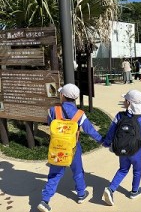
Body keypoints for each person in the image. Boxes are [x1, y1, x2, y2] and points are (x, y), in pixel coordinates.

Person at [37, 83, 103, 212]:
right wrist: (103, 141)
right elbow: (90, 130)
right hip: (73, 148)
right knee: (78, 172)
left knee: (54, 174)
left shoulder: (53, 111)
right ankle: (81, 194)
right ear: (75, 98)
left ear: (62, 95)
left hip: (57, 148)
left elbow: (51, 126)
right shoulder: (79, 114)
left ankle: (45, 201)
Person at [101, 90, 141, 206]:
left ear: (129, 103)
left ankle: (111, 189)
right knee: (137, 170)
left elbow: (111, 131)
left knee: (123, 169)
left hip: (122, 149)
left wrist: (107, 143)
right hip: (136, 151)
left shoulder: (119, 116)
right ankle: (134, 191)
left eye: (125, 100)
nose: (124, 102)